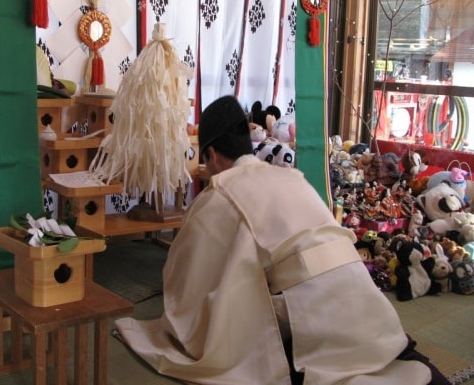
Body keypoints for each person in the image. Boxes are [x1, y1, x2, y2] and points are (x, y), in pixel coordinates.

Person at [114, 95, 449, 384]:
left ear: (212, 155)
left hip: (314, 312)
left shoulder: (220, 194)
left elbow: (184, 274)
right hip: (367, 300)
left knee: (244, 326)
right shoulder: (291, 177)